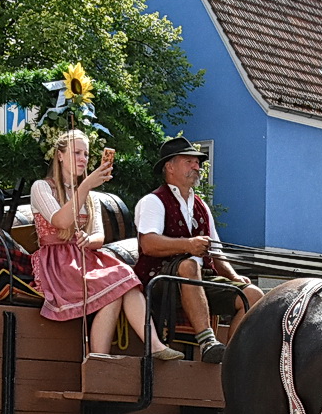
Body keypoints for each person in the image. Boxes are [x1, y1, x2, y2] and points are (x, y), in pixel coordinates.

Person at [30, 130, 183, 361]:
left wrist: (87, 240)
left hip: (84, 257)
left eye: (86, 154)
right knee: (116, 284)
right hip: (57, 262)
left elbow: (99, 237)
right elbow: (60, 221)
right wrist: (86, 185)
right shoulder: (41, 187)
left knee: (126, 279)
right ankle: (100, 357)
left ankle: (149, 347)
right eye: (76, 153)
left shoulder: (91, 196)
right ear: (60, 155)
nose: (83, 159)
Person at [135, 137, 263, 363]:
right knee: (189, 265)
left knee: (253, 295)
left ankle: (230, 360)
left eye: (197, 162)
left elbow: (216, 251)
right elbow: (149, 244)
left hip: (200, 279)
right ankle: (207, 342)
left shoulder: (201, 205)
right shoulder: (153, 201)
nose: (197, 166)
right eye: (189, 161)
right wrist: (188, 244)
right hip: (160, 280)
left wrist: (234, 277)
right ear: (170, 167)